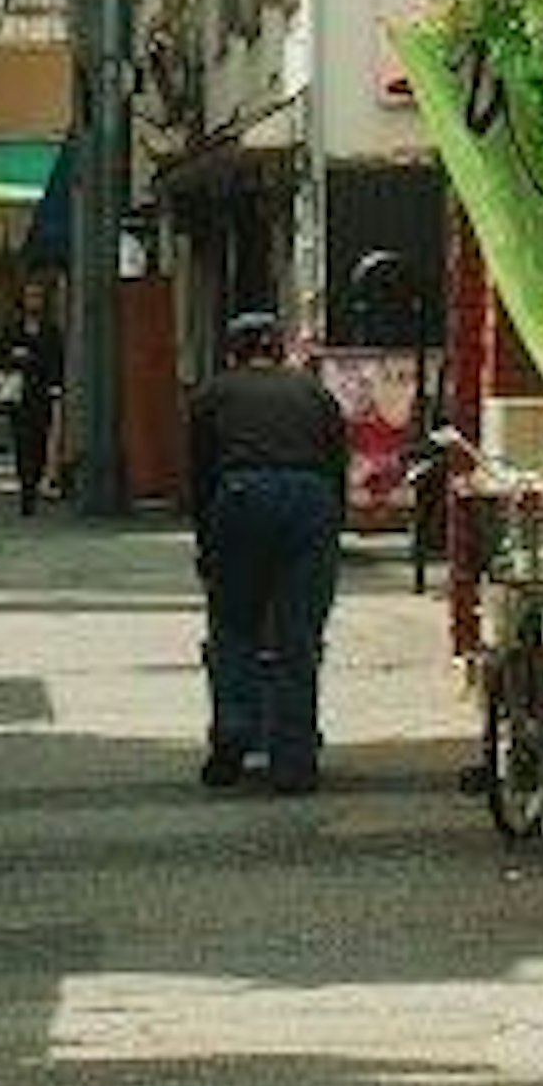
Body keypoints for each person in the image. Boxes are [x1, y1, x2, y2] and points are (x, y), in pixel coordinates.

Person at [186, 309, 352, 791]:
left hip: (240, 497)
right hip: (310, 500)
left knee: (234, 623)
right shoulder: (314, 393)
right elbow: (337, 467)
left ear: (233, 352)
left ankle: (234, 726)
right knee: (298, 635)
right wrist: (330, 529)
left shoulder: (214, 393)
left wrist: (206, 543)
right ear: (279, 350)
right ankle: (294, 759)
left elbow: (200, 476)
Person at [4, 298, 66, 520]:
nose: (33, 302)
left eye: (38, 297)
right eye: (29, 297)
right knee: (22, 444)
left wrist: (56, 386)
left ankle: (37, 477)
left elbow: (57, 359)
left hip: (42, 395)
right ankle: (26, 492)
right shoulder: (12, 329)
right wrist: (15, 357)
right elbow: (3, 356)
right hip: (19, 395)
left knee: (40, 442)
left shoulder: (52, 331)